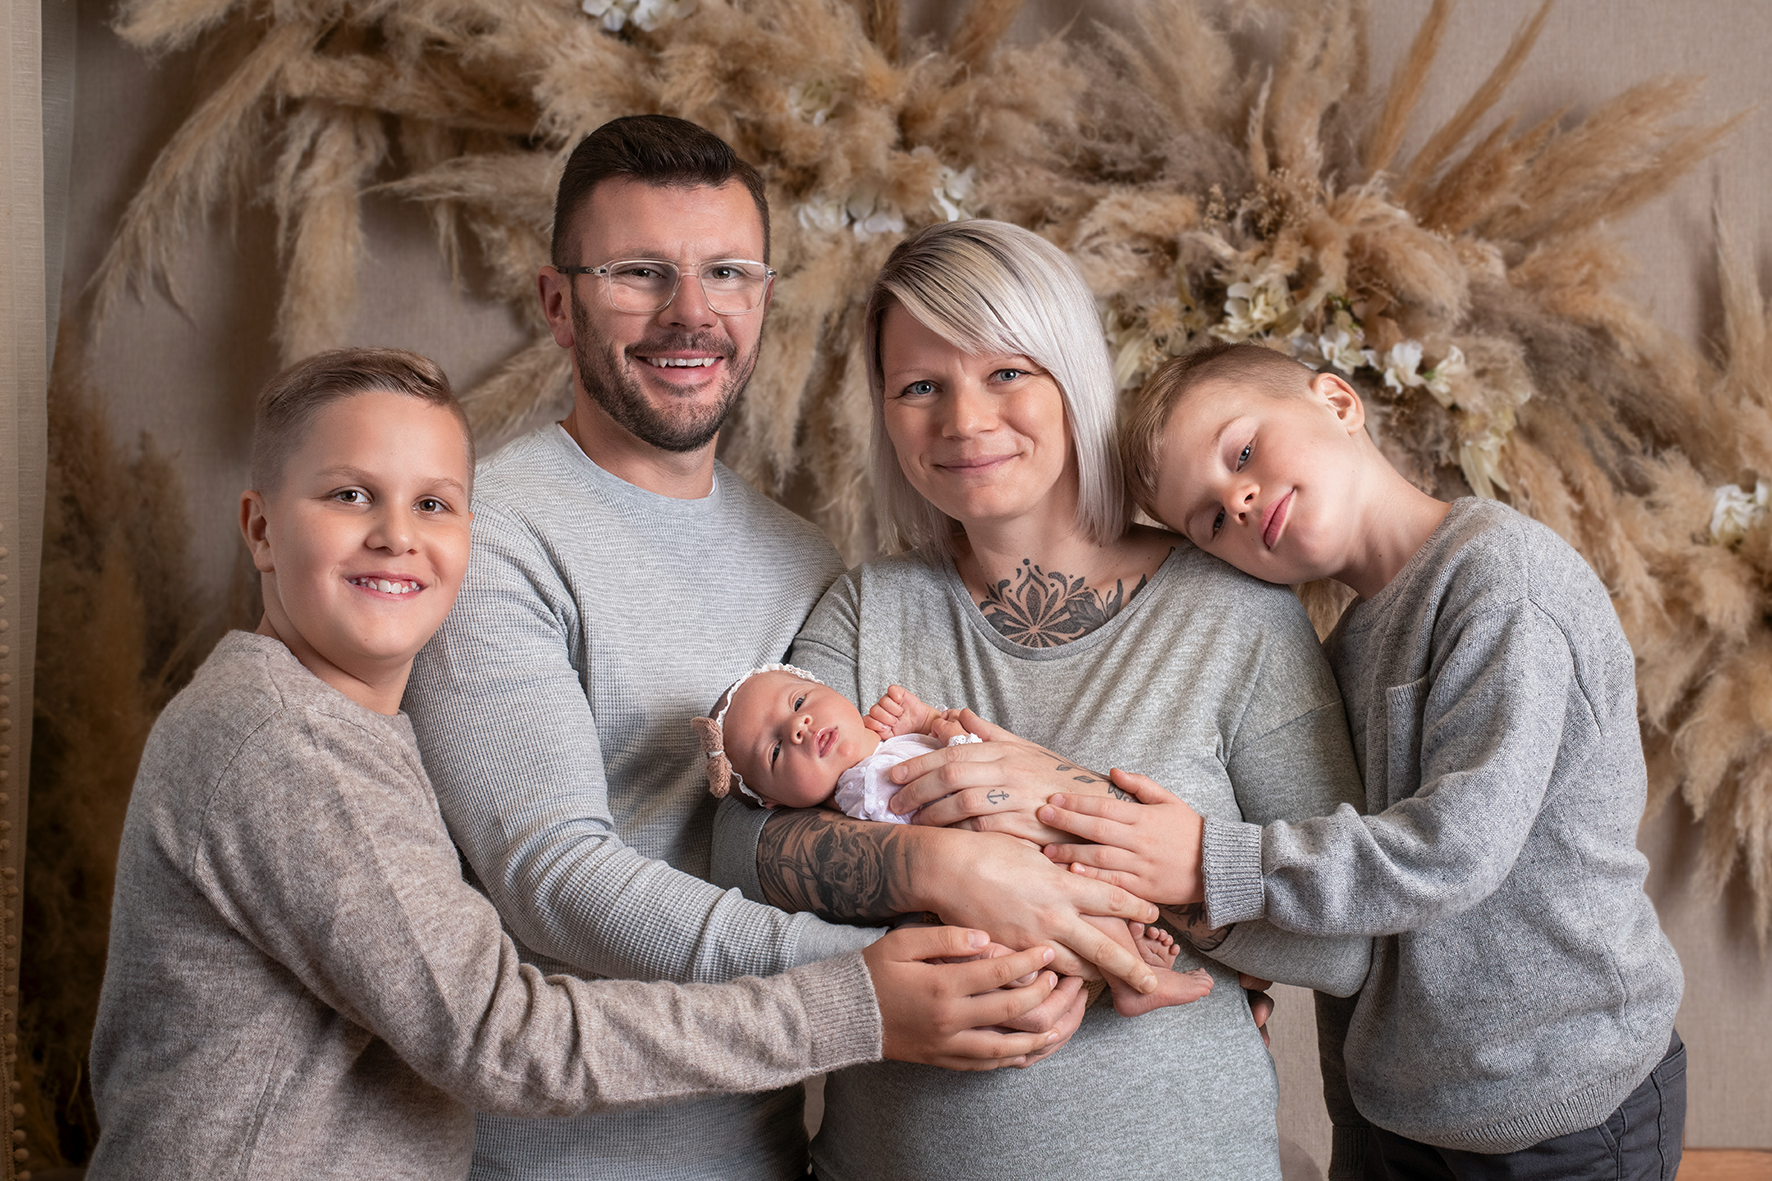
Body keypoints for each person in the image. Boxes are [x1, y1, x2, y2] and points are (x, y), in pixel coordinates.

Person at [87, 348, 1066, 1180]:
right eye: (350, 495)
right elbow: (504, 1039)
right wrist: (854, 998)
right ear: (261, 528)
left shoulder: (343, 724)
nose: (397, 535)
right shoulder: (286, 739)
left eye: (433, 503)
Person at [403, 116, 1154, 1179]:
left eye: (727, 273)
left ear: (762, 297)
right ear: (558, 304)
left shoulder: (804, 558)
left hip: (765, 1149)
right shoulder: (488, 533)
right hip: (557, 1157)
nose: (691, 312)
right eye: (638, 273)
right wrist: (871, 980)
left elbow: (841, 817)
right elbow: (551, 877)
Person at [711, 219, 1375, 1180]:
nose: (964, 420)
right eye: (919, 387)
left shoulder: (1235, 613)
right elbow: (740, 848)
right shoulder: (867, 608)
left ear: (1072, 376)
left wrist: (1070, 808)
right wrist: (948, 867)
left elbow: (1345, 942)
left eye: (1007, 372)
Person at [1044, 340, 1685, 1180]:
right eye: (1208, 520)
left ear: (1338, 403)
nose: (1237, 498)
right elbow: (1355, 916)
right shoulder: (1342, 650)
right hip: (1403, 1112)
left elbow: (1453, 850)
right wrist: (1243, 957)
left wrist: (1208, 859)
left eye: (1243, 451)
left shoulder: (1503, 583)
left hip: (1564, 1101)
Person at [698, 664, 1214, 1015]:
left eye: (799, 700)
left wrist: (927, 721)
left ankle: (1130, 953)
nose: (798, 727)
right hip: (1000, 875)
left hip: (1020, 852)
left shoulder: (890, 745)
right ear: (775, 803)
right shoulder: (858, 789)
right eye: (774, 751)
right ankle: (1134, 981)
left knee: (1087, 887)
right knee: (1074, 900)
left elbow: (978, 758)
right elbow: (954, 778)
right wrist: (946, 734)